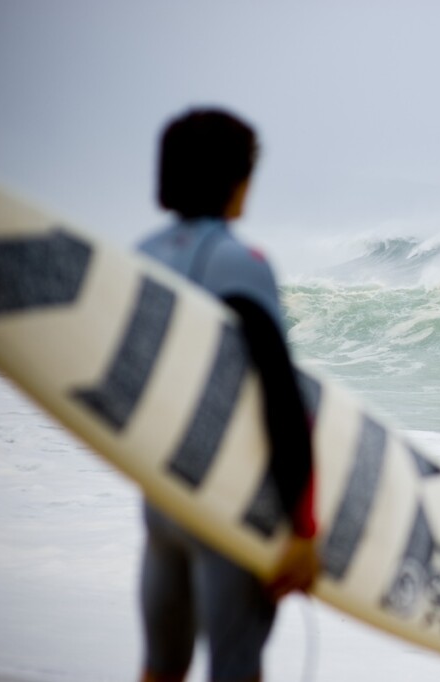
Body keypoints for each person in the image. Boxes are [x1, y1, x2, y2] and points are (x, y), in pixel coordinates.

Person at [137, 108, 319, 682]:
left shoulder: (140, 255)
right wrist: (303, 529)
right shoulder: (239, 264)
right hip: (228, 505)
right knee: (235, 672)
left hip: (162, 501)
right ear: (237, 180)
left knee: (162, 668)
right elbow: (281, 401)